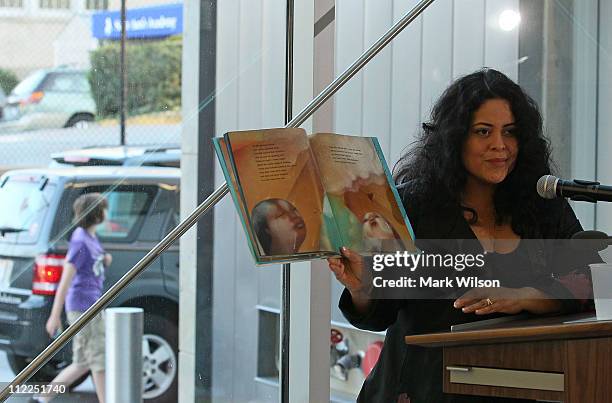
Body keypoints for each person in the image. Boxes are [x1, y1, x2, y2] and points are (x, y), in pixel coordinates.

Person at [328, 68, 598, 403]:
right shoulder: (412, 205)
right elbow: (380, 311)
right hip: (420, 388)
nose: (499, 145)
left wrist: (528, 294)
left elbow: (593, 277)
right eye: (483, 132)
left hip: (522, 385)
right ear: (455, 138)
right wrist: (361, 287)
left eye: (510, 132)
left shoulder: (542, 204)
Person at [37, 193, 111, 403]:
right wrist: (54, 316)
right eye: (104, 209)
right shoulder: (80, 240)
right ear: (96, 214)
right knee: (98, 360)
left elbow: (92, 263)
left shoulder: (89, 236)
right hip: (84, 308)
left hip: (89, 305)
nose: (107, 213)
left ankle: (42, 398)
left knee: (82, 362)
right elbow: (66, 280)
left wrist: (105, 259)